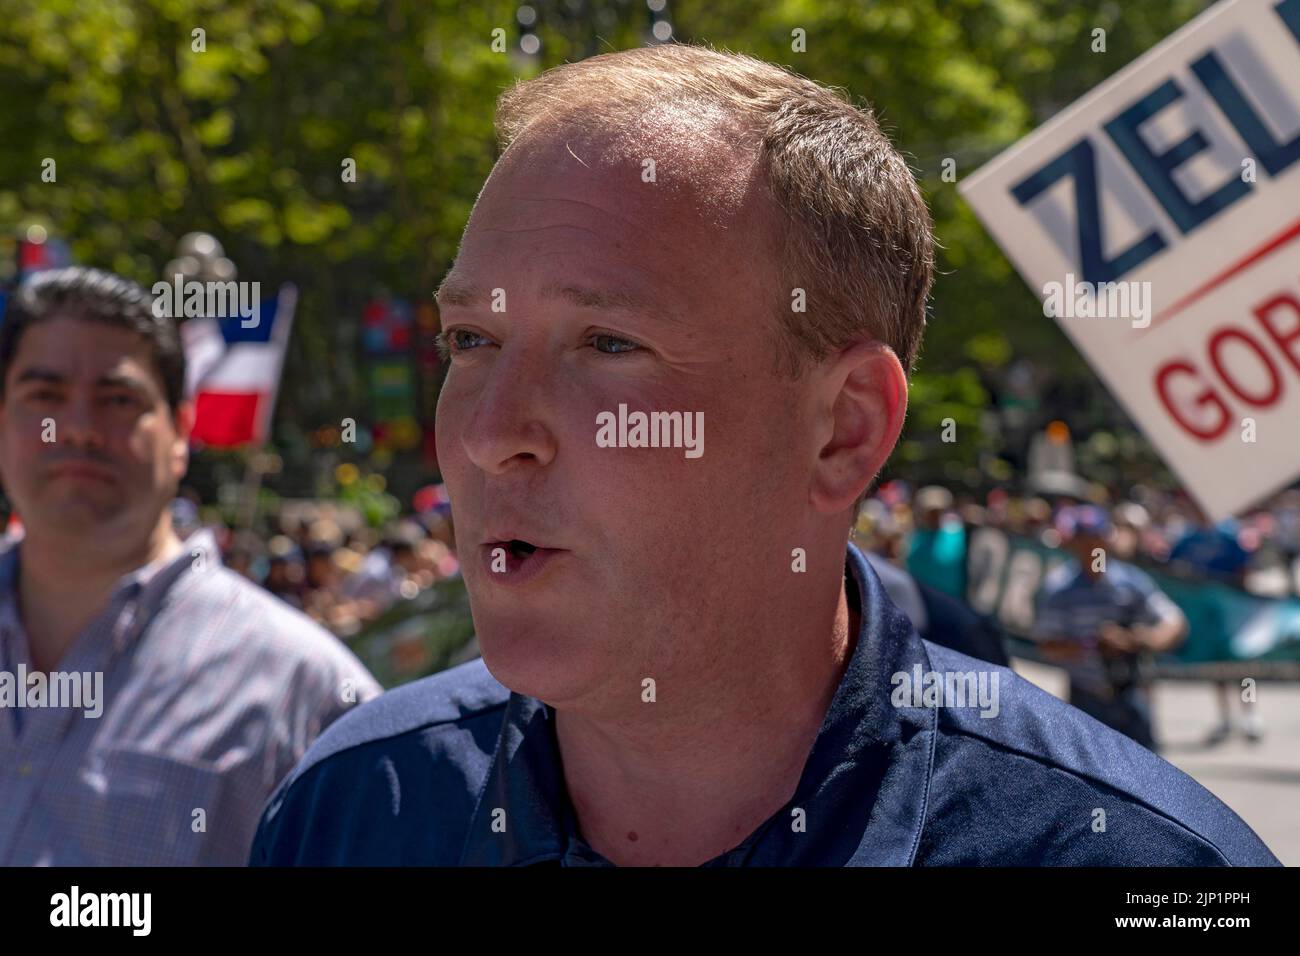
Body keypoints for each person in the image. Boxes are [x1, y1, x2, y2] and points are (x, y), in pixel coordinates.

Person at [251, 45, 1278, 866]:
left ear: (842, 430)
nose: (486, 431)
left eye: (610, 345)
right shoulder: (350, 807)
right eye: (470, 339)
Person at [0, 267, 382, 865]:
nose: (76, 427)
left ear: (181, 432)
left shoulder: (307, 691)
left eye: (118, 399)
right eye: (43, 395)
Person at [1035, 507, 1187, 752]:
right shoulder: (1060, 589)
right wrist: (1093, 644)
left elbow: (1173, 622)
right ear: (1075, 543)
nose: (1092, 546)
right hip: (1086, 698)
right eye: (1085, 539)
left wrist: (1138, 639)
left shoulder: (1130, 582)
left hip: (1129, 694)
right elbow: (1047, 645)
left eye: (1097, 537)